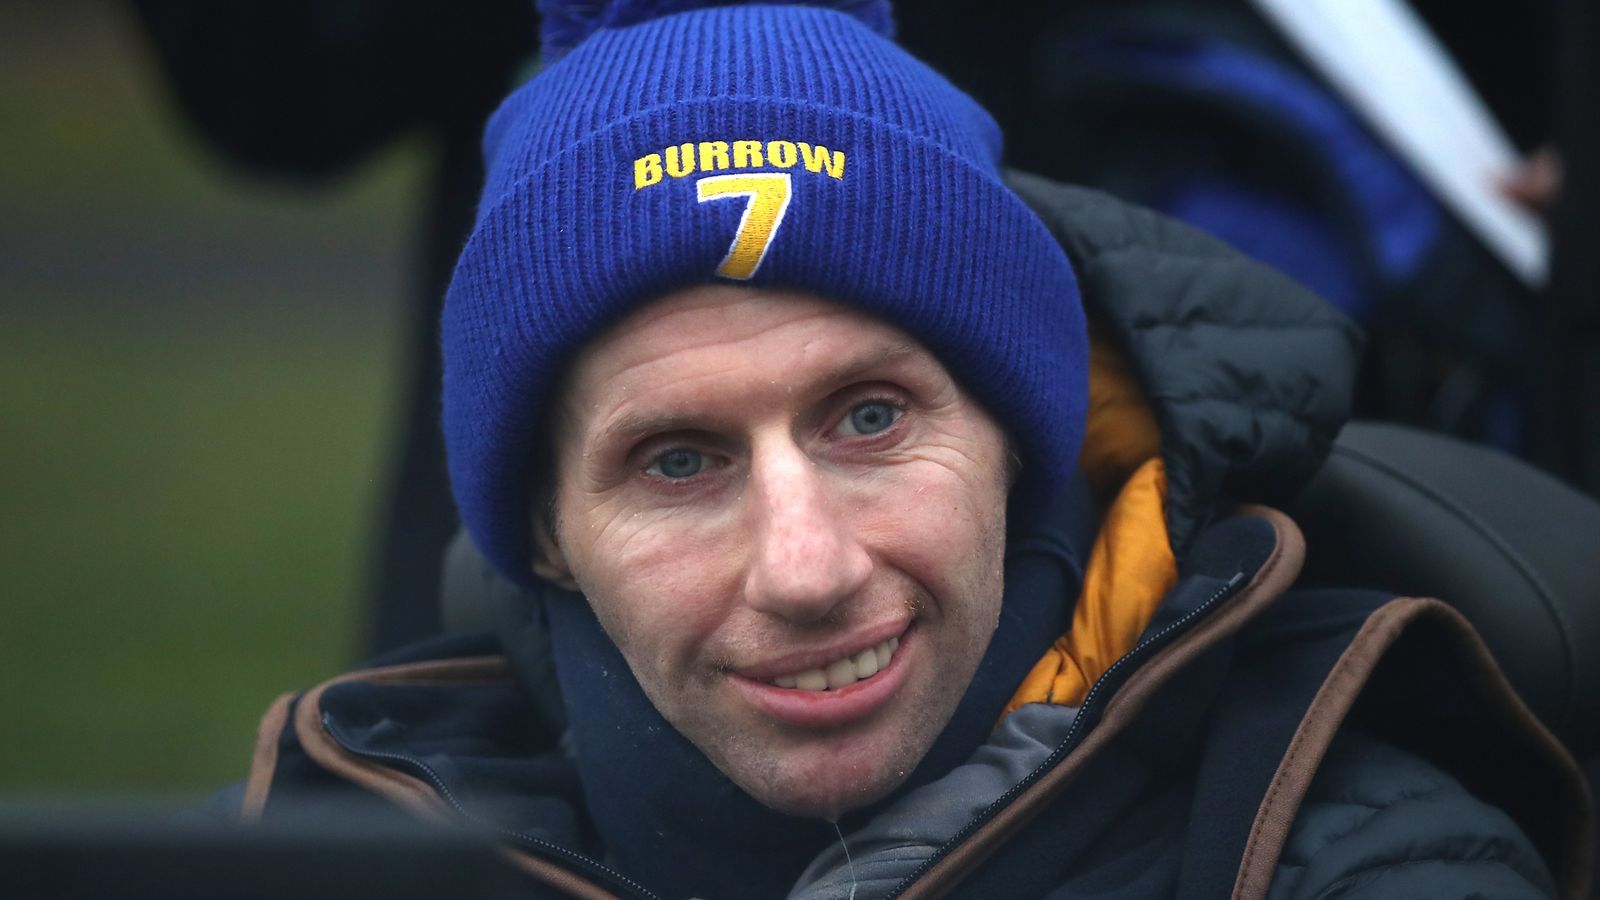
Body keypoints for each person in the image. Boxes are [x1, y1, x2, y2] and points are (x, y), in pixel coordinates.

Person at [232, 3, 1593, 897]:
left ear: (1019, 436)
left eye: (871, 419)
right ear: (542, 533)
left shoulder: (1362, 864)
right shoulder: (354, 858)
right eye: (678, 462)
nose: (807, 568)